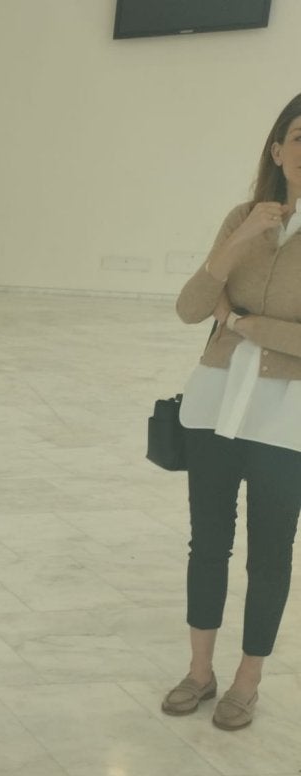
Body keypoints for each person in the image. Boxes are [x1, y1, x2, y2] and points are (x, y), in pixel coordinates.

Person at [166, 92, 301, 732]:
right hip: (216, 406)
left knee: (270, 553)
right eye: (298, 137)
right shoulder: (242, 217)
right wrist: (237, 240)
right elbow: (192, 308)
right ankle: (200, 671)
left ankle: (247, 680)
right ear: (277, 150)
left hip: (287, 418)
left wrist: (244, 322)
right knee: (208, 544)